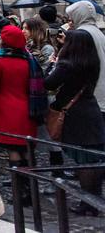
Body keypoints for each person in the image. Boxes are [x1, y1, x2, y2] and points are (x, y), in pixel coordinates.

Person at [44, 30, 105, 213]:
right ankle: (94, 200)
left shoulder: (66, 64)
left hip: (75, 114)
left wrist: (53, 62)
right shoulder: (91, 62)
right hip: (90, 108)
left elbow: (49, 84)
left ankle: (87, 204)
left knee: (83, 160)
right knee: (93, 158)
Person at [0, 25, 38, 202]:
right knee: (26, 148)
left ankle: (21, 192)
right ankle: (31, 188)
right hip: (28, 108)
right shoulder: (29, 59)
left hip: (6, 109)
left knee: (13, 149)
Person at [66, 0, 105, 127]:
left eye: (71, 17)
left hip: (90, 97)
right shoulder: (98, 32)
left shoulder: (81, 35)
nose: (69, 21)